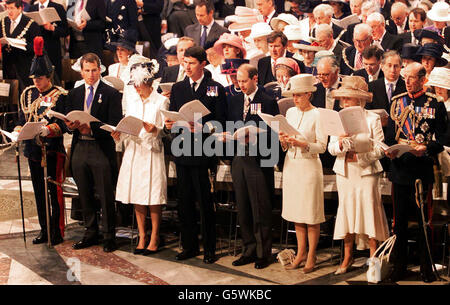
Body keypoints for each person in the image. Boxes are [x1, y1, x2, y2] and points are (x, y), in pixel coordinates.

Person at [163, 46, 227, 264]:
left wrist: (203, 127)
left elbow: (222, 121)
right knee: (185, 202)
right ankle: (188, 245)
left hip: (203, 152)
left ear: (202, 64)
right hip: (182, 150)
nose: (187, 67)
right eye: (184, 62)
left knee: (205, 202)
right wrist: (170, 123)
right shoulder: (179, 88)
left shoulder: (214, 88)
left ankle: (209, 247)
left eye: (191, 63)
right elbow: (172, 115)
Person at [385, 62, 447, 283]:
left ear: (423, 79)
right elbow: (390, 136)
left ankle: (426, 267)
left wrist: (427, 148)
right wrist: (389, 150)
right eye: (406, 77)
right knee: (398, 222)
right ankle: (398, 266)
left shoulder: (435, 103)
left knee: (424, 222)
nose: (408, 81)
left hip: (421, 170)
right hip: (400, 169)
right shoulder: (397, 101)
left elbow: (443, 139)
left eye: (412, 78)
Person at [328, 75, 389, 275]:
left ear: (360, 99)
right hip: (345, 173)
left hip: (366, 173)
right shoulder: (338, 118)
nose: (344, 102)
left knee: (370, 215)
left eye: (349, 98)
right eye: (343, 98)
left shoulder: (372, 118)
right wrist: (340, 143)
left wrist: (361, 156)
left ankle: (374, 262)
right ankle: (347, 256)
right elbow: (330, 149)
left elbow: (380, 149)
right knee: (347, 213)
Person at [64, 53, 123, 253]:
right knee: (84, 193)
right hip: (80, 146)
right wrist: (71, 126)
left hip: (101, 148)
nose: (91, 74)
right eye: (87, 70)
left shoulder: (111, 93)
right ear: (81, 71)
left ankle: (109, 235)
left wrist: (92, 129)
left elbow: (114, 123)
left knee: (105, 193)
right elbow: (68, 121)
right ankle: (90, 232)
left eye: (94, 70)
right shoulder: (74, 93)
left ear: (100, 70)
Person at [225, 63, 279, 270]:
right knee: (243, 206)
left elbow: (273, 132)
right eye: (238, 81)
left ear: (255, 79)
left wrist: (255, 139)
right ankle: (248, 249)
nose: (241, 85)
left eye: (244, 81)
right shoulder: (235, 99)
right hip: (239, 158)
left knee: (260, 207)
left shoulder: (267, 101)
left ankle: (262, 252)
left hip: (257, 160)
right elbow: (230, 124)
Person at [14, 37, 67, 246]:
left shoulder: (60, 95)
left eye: (40, 78)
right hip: (32, 150)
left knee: (54, 193)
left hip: (52, 150)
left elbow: (63, 125)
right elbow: (21, 118)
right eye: (34, 78)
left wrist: (47, 130)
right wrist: (18, 130)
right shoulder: (28, 94)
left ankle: (57, 230)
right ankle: (44, 229)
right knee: (38, 192)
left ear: (49, 77)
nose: (36, 81)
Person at [113, 60, 168, 255]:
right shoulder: (133, 101)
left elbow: (165, 130)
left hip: (151, 151)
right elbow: (128, 124)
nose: (137, 89)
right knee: (137, 193)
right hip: (135, 151)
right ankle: (142, 234)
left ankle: (155, 235)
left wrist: (155, 130)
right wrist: (119, 134)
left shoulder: (160, 101)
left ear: (149, 83)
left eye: (140, 85)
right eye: (134, 85)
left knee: (153, 194)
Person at [279, 74, 327, 273]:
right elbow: (285, 141)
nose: (295, 99)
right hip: (292, 165)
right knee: (296, 213)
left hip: (309, 167)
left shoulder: (318, 115)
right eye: (293, 95)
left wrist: (303, 144)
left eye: (299, 95)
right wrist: (283, 139)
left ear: (309, 93)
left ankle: (312, 254)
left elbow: (322, 146)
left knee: (310, 214)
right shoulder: (290, 112)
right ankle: (300, 252)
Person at [0, 0, 41, 92]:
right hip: (8, 64)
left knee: (24, 93)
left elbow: (36, 47)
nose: (9, 11)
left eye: (12, 8)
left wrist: (22, 44)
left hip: (24, 65)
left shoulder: (31, 24)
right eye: (7, 8)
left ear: (20, 8)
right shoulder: (4, 21)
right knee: (10, 95)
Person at [26, 0, 68, 82]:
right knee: (37, 77)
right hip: (36, 50)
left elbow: (65, 31)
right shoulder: (32, 8)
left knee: (54, 78)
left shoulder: (57, 7)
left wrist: (52, 28)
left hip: (52, 49)